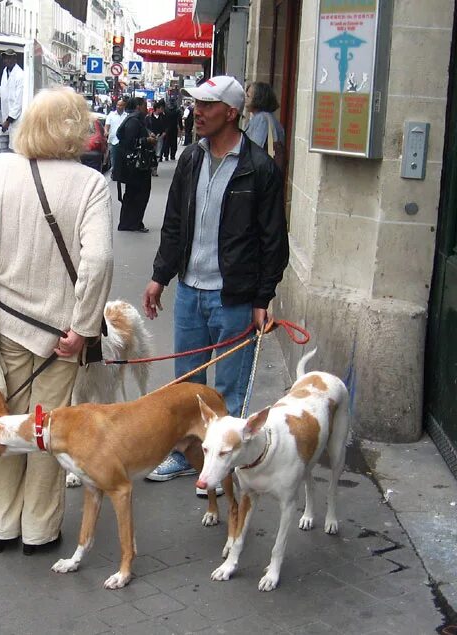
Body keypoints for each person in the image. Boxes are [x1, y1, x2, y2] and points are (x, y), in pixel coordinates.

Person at [0, 88, 114, 555]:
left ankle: (1, 527)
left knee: (3, 423)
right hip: (61, 337)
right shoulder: (90, 185)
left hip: (5, 328)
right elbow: (97, 261)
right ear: (76, 130)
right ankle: (39, 530)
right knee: (46, 431)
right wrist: (82, 328)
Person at [142, 76, 288, 482]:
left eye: (207, 105)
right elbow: (173, 224)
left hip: (234, 298)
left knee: (228, 391)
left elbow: (273, 241)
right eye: (197, 104)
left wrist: (261, 300)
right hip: (190, 291)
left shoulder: (259, 168)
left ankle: (227, 466)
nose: (198, 112)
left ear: (231, 112)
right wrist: (159, 277)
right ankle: (186, 457)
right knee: (187, 386)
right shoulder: (191, 158)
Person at [114, 96, 154, 232]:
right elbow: (130, 142)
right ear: (138, 106)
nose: (146, 107)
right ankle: (131, 223)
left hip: (134, 165)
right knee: (138, 194)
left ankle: (131, 222)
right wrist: (147, 140)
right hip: (136, 167)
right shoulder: (134, 120)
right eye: (144, 105)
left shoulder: (134, 119)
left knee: (134, 194)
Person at [0, 49, 24, 147]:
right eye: (5, 58)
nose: (7, 60)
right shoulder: (5, 71)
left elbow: (18, 102)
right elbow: (4, 91)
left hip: (15, 120)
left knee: (15, 147)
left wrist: (8, 121)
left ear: (14, 58)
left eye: (9, 58)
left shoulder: (20, 75)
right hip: (7, 118)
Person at [244, 81, 286, 169]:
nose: (245, 99)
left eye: (248, 96)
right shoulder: (269, 118)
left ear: (258, 99)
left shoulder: (261, 119)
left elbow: (255, 149)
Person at [104, 98, 127, 177]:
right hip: (113, 140)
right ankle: (114, 172)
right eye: (118, 105)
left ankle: (121, 173)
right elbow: (107, 126)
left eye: (121, 105)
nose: (119, 107)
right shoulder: (111, 115)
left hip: (123, 141)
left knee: (122, 157)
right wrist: (106, 131)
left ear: (124, 106)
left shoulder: (126, 116)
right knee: (113, 158)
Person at [146, 101, 166, 176]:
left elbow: (165, 126)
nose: (162, 110)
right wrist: (150, 133)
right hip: (151, 137)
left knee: (158, 153)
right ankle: (149, 167)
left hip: (160, 137)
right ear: (157, 109)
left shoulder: (163, 117)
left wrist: (164, 133)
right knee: (150, 152)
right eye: (161, 108)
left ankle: (155, 169)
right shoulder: (149, 117)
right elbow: (146, 127)